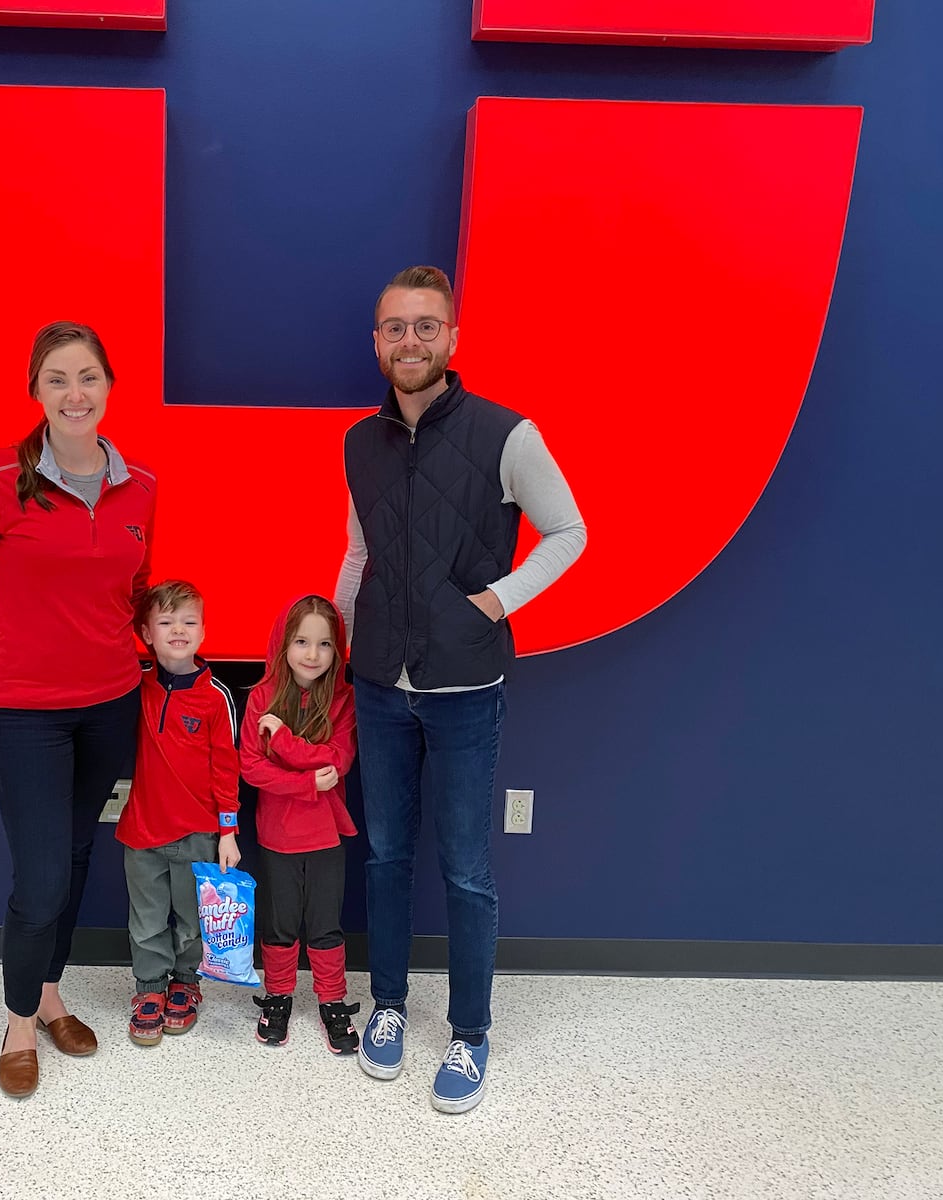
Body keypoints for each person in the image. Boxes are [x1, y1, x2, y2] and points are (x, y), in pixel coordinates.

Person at [335, 266, 587, 1114]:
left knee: (468, 869)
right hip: (378, 682)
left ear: (452, 338)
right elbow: (360, 553)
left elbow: (568, 532)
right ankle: (391, 1007)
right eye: (395, 327)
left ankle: (471, 1032)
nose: (410, 341)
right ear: (376, 342)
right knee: (385, 855)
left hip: (465, 686)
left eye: (425, 326)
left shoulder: (509, 435)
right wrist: (343, 635)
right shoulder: (357, 442)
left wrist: (494, 601)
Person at [0, 320, 156, 1100]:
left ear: (108, 386)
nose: (75, 392)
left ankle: (52, 992)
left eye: (87, 376)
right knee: (43, 873)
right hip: (24, 710)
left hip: (110, 706)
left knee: (80, 858)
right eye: (57, 378)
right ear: (36, 391)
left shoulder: (141, 488)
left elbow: (131, 594)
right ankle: (20, 1023)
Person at [115, 579, 242, 1047]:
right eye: (165, 622)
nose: (178, 630)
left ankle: (186, 984)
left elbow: (227, 768)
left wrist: (228, 832)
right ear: (146, 632)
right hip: (142, 830)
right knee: (146, 920)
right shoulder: (133, 686)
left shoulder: (216, 698)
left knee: (193, 921)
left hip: (200, 834)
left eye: (189, 621)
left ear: (204, 631)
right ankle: (149, 989)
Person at [239, 594, 362, 1055]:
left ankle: (332, 1000)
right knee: (281, 921)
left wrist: (286, 743)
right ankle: (278, 997)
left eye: (325, 643)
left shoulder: (344, 699)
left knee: (326, 923)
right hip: (278, 833)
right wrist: (309, 783)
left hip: (327, 834)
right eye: (302, 641)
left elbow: (338, 760)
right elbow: (251, 768)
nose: (313, 654)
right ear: (283, 644)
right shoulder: (260, 697)